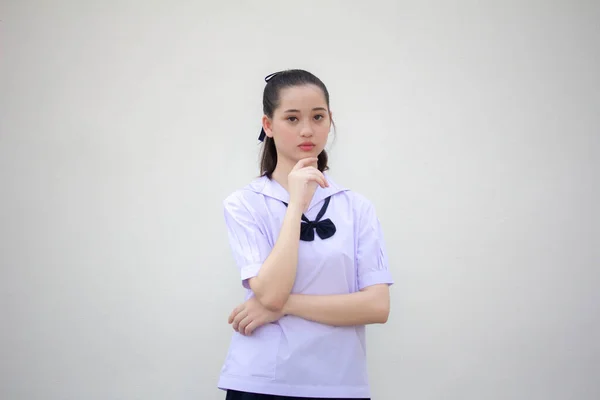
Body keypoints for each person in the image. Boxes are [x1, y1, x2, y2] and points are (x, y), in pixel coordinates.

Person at [218, 69, 394, 400]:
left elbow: (377, 306)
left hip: (340, 383)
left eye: (317, 117)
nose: (307, 130)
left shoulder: (357, 208)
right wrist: (296, 203)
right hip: (260, 383)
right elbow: (269, 292)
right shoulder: (244, 204)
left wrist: (283, 307)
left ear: (330, 120)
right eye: (292, 118)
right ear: (268, 126)